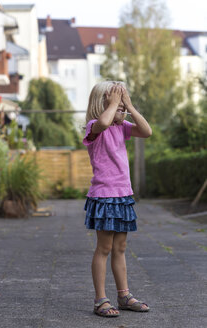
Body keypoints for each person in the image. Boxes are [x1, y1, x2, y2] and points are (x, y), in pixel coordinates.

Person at [83, 81, 152, 317]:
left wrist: (130, 106)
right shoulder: (94, 127)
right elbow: (103, 121)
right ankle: (100, 299)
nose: (119, 107)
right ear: (100, 103)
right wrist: (113, 104)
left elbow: (147, 131)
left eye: (121, 103)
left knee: (120, 248)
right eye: (115, 103)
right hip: (104, 197)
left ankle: (124, 295)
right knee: (104, 248)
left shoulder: (122, 127)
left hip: (123, 196)